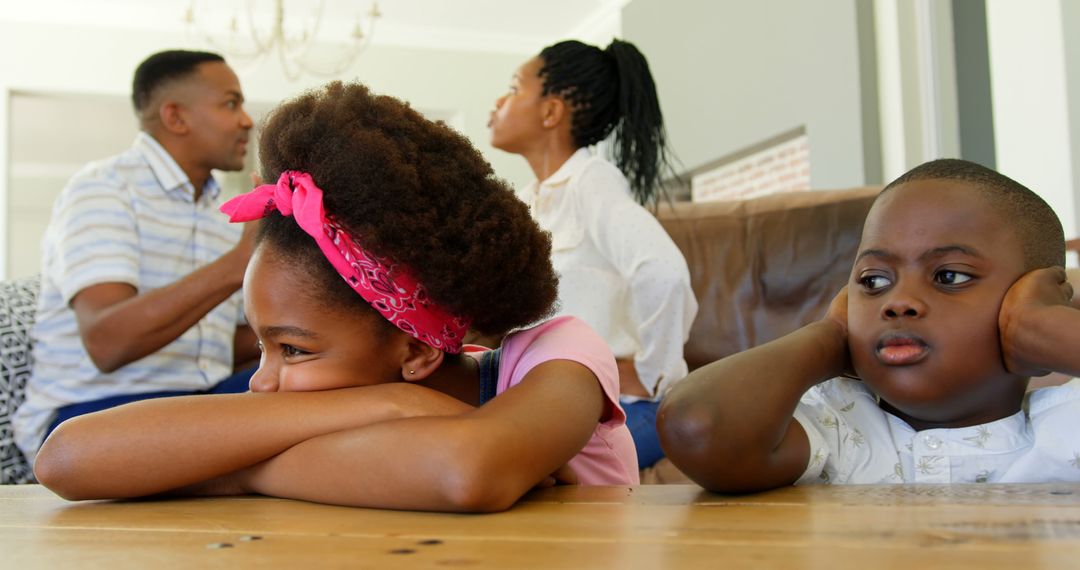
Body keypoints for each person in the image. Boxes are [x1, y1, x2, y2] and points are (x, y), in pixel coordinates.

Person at [33, 81, 639, 513]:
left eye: (292, 350)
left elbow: (466, 469)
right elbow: (65, 459)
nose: (260, 383)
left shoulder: (558, 354)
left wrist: (231, 469)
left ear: (416, 351)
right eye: (265, 347)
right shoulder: (377, 400)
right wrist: (394, 409)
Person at [657, 158, 1080, 492]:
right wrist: (832, 337)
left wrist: (1044, 327)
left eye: (949, 276)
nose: (898, 302)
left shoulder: (1063, 432)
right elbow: (696, 424)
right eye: (874, 281)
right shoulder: (841, 430)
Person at [13, 50, 260, 464]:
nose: (247, 120)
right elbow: (108, 341)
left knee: (330, 391)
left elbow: (222, 346)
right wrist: (236, 267)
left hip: (198, 402)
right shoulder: (102, 190)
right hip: (94, 412)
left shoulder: (225, 217)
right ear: (176, 117)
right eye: (230, 104)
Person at [488, 38, 697, 469]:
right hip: (546, 400)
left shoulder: (592, 182)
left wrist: (654, 374)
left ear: (551, 111)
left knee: (516, 466)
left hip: (623, 407)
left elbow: (663, 272)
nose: (498, 101)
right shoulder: (525, 202)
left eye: (513, 87)